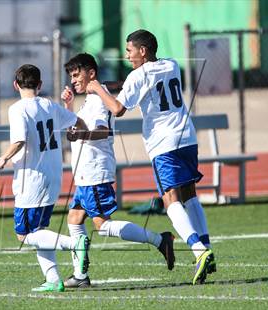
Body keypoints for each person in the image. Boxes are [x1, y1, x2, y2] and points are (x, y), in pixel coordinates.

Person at [86, 29, 216, 285]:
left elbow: (118, 108)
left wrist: (97, 89)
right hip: (187, 137)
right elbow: (139, 85)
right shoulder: (171, 64)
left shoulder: (138, 75)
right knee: (190, 195)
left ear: (142, 51)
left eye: (130, 50)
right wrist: (113, 87)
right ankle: (206, 246)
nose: (127, 56)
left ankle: (199, 252)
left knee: (171, 200)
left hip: (163, 143)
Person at [61, 53, 176, 288]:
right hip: (85, 174)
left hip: (95, 173)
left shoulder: (97, 101)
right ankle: (80, 275)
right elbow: (79, 126)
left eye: (76, 75)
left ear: (91, 74)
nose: (73, 80)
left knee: (102, 225)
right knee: (74, 218)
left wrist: (80, 133)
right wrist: (69, 107)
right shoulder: (91, 96)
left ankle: (160, 240)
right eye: (70, 76)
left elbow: (102, 132)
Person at [0, 64, 90, 292]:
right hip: (53, 175)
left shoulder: (17, 109)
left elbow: (19, 141)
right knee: (39, 232)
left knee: (23, 235)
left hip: (32, 179)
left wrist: (3, 158)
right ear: (40, 85)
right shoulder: (49, 105)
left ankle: (73, 243)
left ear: (15, 85)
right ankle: (52, 278)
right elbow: (77, 122)